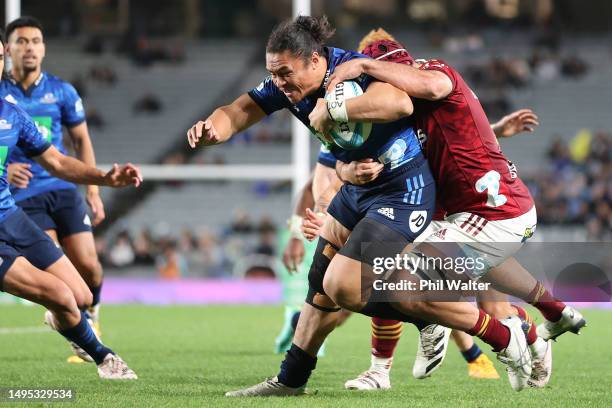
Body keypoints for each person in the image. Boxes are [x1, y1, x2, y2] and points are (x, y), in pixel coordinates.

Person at [186, 16, 533, 396]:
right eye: (274, 74)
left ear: (315, 61)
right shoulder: (288, 88)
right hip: (357, 193)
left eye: (285, 73)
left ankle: (499, 334)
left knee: (343, 287)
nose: (280, 83)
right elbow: (241, 108)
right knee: (319, 284)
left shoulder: (349, 72)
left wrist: (335, 110)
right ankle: (290, 381)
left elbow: (399, 102)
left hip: (404, 192)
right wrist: (213, 129)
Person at [0, 28, 141, 379]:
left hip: (10, 216)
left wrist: (104, 180)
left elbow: (59, 162)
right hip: (24, 205)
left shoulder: (11, 113)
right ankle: (105, 359)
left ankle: (68, 322)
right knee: (59, 294)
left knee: (79, 294)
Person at [1, 17, 106, 363]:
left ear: (44, 48)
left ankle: (86, 319)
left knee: (89, 268)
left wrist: (94, 188)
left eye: (36, 41)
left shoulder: (61, 91)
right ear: (10, 49)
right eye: (22, 41)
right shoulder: (5, 94)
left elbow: (78, 144)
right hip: (24, 195)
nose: (29, 47)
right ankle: (78, 330)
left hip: (60, 188)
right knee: (54, 272)